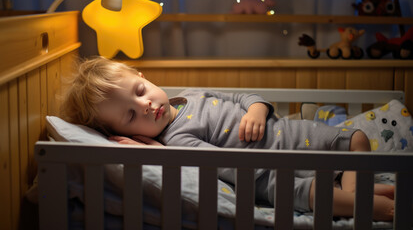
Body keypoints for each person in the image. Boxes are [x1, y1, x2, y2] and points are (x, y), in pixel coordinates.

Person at [62, 56, 395, 221]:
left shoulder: (190, 95)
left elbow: (245, 97)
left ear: (142, 76)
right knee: (319, 193)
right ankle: (380, 208)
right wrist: (153, 150)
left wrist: (257, 112)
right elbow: (217, 164)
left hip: (295, 136)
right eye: (131, 115)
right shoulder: (178, 140)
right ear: (125, 133)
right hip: (272, 176)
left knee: (357, 139)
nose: (145, 106)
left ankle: (356, 194)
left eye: (140, 92)